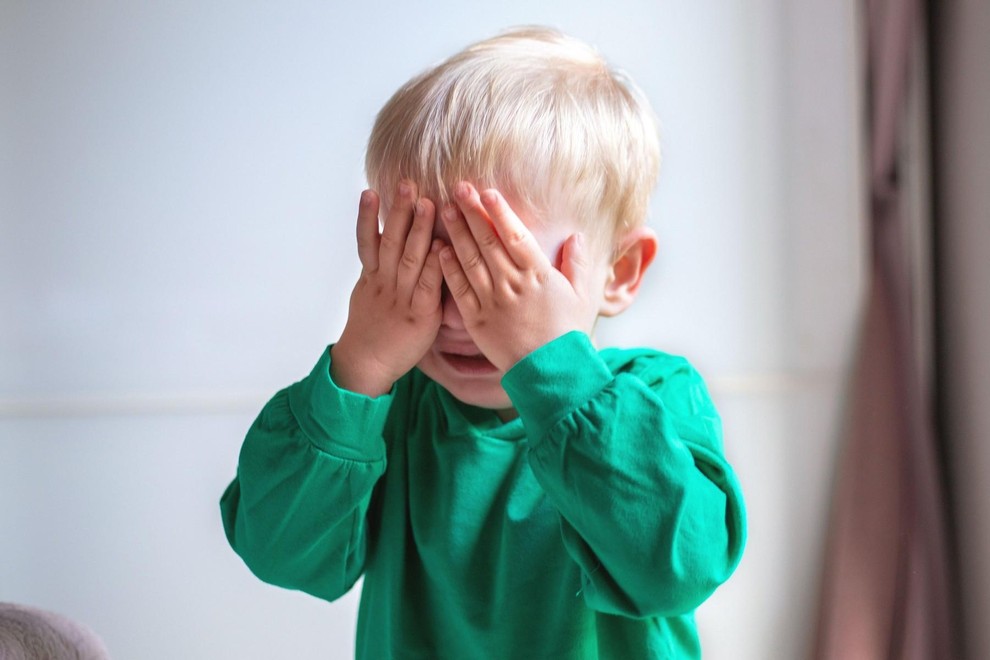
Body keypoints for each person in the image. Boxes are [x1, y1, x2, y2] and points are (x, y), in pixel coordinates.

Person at [220, 26, 746, 659]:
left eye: (498, 271)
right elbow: (281, 553)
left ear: (620, 271)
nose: (459, 314)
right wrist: (358, 367)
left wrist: (556, 373)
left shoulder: (656, 395)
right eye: (420, 266)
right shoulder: (391, 410)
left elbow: (678, 568)